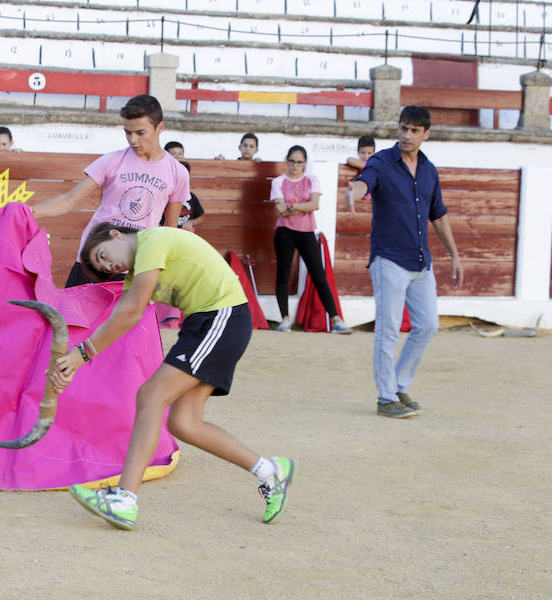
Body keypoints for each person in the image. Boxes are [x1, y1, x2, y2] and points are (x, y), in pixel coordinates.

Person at [51, 223, 295, 530]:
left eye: (103, 256)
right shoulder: (136, 273)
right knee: (184, 423)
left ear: (114, 233)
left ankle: (124, 499)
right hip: (205, 323)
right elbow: (123, 314)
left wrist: (81, 354)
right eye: (105, 268)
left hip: (221, 317)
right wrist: (77, 358)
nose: (110, 266)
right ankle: (270, 471)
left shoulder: (151, 240)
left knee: (151, 396)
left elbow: (131, 313)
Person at [345, 106, 463, 418]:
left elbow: (437, 214)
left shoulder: (429, 170)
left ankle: (398, 385)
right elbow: (365, 181)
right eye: (403, 128)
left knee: (427, 325)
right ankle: (386, 398)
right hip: (389, 260)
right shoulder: (382, 161)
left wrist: (453, 253)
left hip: (420, 260)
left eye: (414, 130)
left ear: (426, 133)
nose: (407, 135)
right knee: (388, 330)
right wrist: (354, 192)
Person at [31, 94, 188, 287]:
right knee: (70, 317)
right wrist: (28, 212)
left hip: (135, 265)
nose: (133, 140)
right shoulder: (112, 160)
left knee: (123, 318)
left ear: (159, 128)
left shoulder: (178, 172)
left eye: (140, 133)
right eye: (127, 132)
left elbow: (170, 231)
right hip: (95, 258)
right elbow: (68, 200)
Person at [271, 145, 352, 334]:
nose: (295, 165)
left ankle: (336, 319)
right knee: (282, 275)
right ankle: (285, 319)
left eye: (299, 162)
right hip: (285, 231)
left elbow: (314, 205)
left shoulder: (312, 179)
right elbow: (281, 209)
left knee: (319, 276)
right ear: (287, 161)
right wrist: (302, 206)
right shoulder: (278, 181)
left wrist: (291, 206)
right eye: (292, 161)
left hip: (306, 231)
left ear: (304, 163)